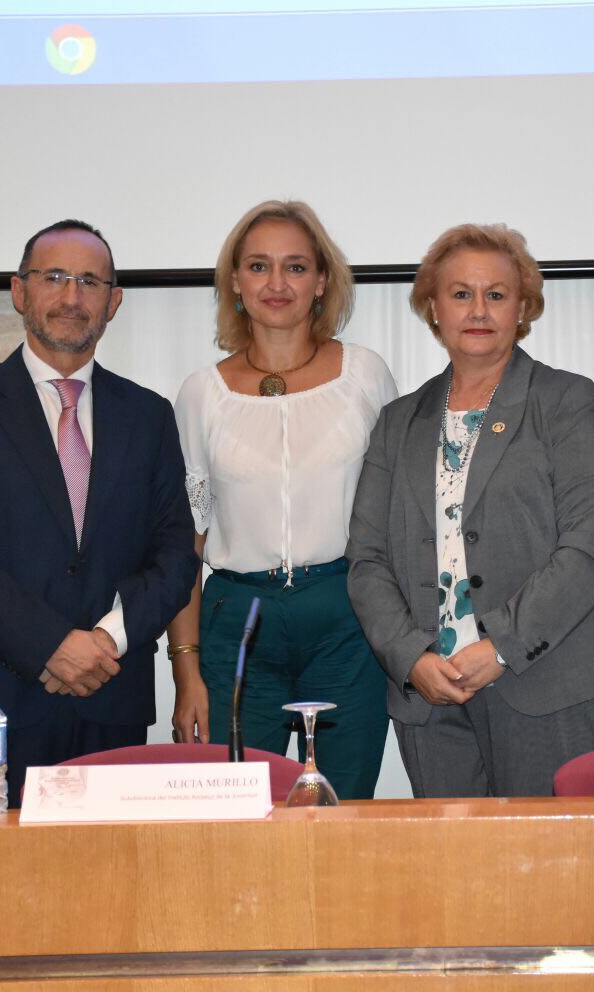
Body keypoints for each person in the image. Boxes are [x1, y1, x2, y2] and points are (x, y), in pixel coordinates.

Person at [0, 219, 198, 808]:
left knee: (111, 889)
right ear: (20, 291)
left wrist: (105, 641)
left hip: (111, 695)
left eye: (90, 282)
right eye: (55, 277)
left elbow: (174, 553)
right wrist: (50, 644)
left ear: (113, 303)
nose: (72, 297)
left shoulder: (149, 416)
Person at [347, 223, 594, 797]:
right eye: (460, 294)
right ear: (433, 306)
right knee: (459, 879)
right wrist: (411, 657)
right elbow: (367, 559)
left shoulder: (565, 401)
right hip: (432, 693)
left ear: (523, 307)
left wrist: (500, 645)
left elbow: (592, 542)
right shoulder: (398, 422)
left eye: (496, 295)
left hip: (550, 684)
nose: (478, 310)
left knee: (557, 872)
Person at [167, 201, 397, 800]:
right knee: (242, 818)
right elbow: (184, 547)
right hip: (238, 624)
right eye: (259, 266)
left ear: (322, 281)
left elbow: (403, 518)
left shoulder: (366, 376)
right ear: (236, 283)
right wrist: (185, 672)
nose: (277, 283)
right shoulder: (200, 394)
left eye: (295, 267)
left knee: (344, 813)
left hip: (347, 617)